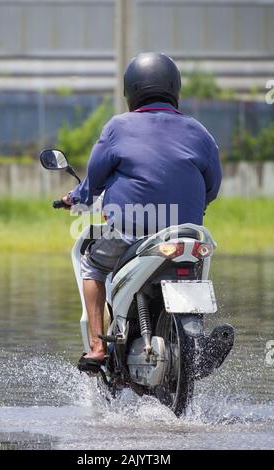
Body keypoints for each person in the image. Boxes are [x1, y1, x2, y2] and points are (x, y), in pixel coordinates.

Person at [61, 52, 222, 370]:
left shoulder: (118, 127)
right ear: (174, 88)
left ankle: (96, 347)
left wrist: (74, 198)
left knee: (91, 266)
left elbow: (93, 181)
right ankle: (196, 345)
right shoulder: (199, 131)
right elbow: (212, 186)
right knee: (192, 271)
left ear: (131, 90)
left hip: (129, 231)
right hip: (187, 234)